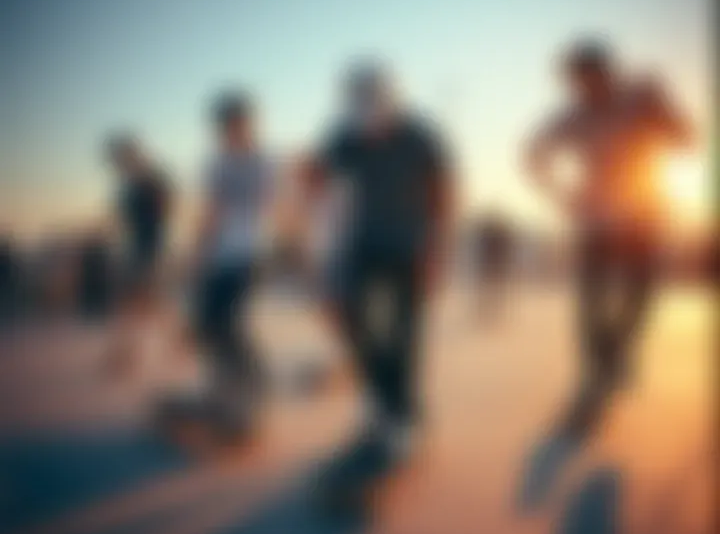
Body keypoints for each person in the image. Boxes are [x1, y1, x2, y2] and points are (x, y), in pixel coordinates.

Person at [524, 38, 695, 440]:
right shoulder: (573, 115)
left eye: (587, 79)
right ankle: (597, 374)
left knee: (640, 292)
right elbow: (533, 153)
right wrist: (560, 193)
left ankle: (618, 352)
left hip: (643, 214)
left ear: (607, 72)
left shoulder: (642, 96)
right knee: (590, 299)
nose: (581, 89)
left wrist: (664, 110)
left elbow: (686, 140)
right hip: (596, 220)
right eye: (574, 82)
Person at [304, 60, 453, 496]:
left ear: (390, 103)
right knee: (361, 331)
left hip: (409, 248)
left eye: (375, 119)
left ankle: (403, 421)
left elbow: (443, 191)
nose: (368, 129)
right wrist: (311, 178)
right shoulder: (343, 133)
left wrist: (436, 251)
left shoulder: (419, 134)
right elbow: (318, 178)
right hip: (362, 249)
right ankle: (383, 411)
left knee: (403, 337)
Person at [172, 90, 274, 439]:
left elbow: (279, 208)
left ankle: (251, 394)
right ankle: (221, 392)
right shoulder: (216, 164)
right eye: (225, 127)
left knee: (229, 325)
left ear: (249, 124)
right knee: (207, 326)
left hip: (249, 255)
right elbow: (209, 215)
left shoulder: (265, 161)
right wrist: (196, 258)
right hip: (217, 257)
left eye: (237, 125)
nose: (231, 132)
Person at [104, 133, 173, 375]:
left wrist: (156, 256)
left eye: (119, 158)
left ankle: (126, 355)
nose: (117, 164)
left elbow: (163, 215)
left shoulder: (151, 181)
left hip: (149, 249)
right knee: (147, 305)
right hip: (136, 249)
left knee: (137, 304)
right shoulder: (131, 184)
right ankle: (175, 346)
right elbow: (123, 221)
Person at [471, 211, 514, 322]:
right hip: (492, 267)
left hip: (492, 267)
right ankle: (488, 312)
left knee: (491, 290)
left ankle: (489, 312)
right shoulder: (498, 238)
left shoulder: (490, 238)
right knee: (491, 290)